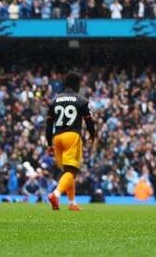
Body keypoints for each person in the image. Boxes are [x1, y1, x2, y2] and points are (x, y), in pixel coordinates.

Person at [45, 72, 97, 212]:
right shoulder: (81, 100)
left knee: (67, 172)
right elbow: (89, 121)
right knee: (72, 171)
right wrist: (93, 136)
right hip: (72, 136)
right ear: (77, 85)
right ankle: (55, 194)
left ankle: (72, 202)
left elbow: (49, 125)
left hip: (57, 138)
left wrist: (49, 144)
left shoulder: (54, 100)